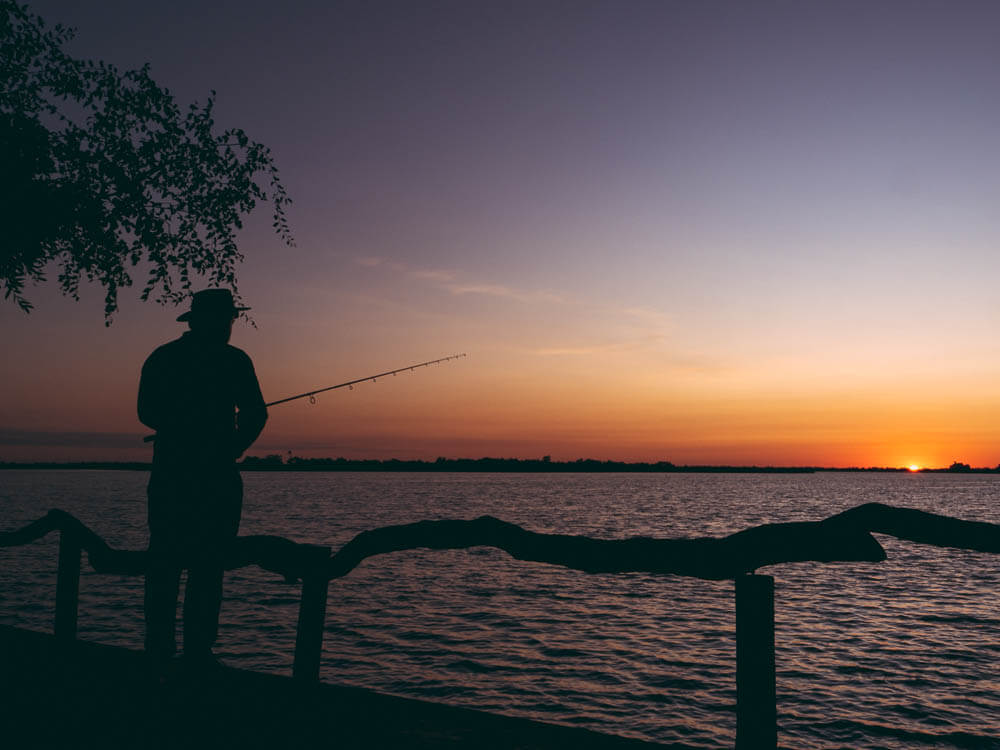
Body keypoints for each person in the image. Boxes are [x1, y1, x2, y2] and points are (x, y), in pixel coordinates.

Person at [137, 288, 267, 674]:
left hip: (171, 474)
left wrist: (183, 428)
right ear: (207, 320)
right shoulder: (234, 361)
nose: (229, 325)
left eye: (231, 318)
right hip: (213, 478)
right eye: (227, 318)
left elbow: (147, 412)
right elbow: (256, 414)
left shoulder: (162, 357)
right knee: (205, 567)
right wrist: (231, 447)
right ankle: (197, 652)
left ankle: (159, 649)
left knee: (167, 561)